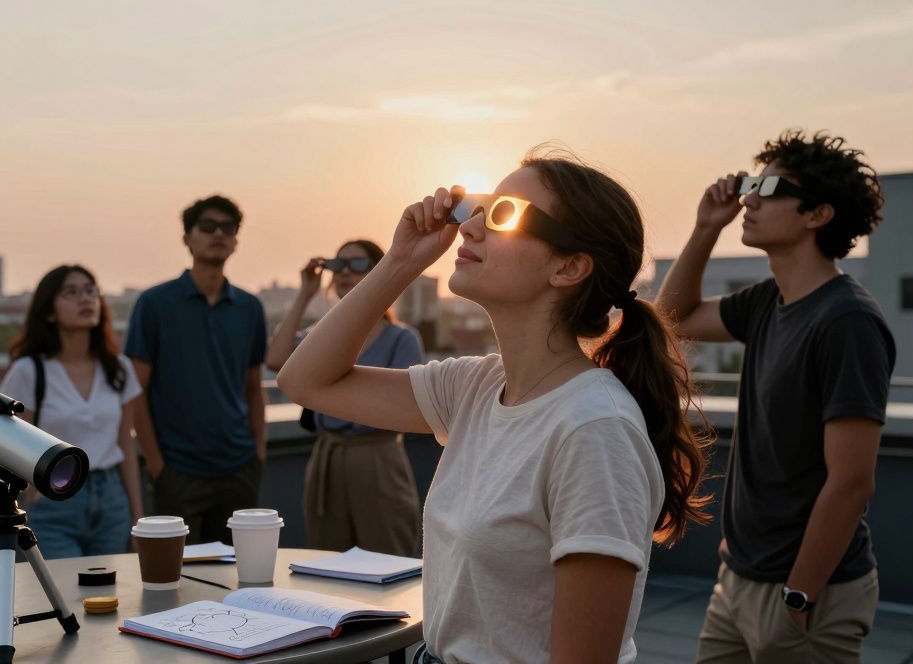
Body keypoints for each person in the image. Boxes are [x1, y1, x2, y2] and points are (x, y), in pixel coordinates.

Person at [277, 151, 712, 663]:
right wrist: (402, 261)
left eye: (504, 214)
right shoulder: (476, 385)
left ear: (569, 267)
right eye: (478, 208)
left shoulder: (595, 431)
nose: (470, 228)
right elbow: (305, 381)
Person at [656, 130, 892, 664]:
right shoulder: (769, 301)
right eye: (750, 182)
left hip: (807, 592)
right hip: (738, 579)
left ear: (818, 215)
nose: (750, 197)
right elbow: (673, 319)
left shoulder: (847, 321)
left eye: (770, 186)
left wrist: (799, 593)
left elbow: (852, 481)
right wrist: (704, 229)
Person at [265, 240, 423, 556]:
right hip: (328, 456)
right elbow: (277, 359)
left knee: (387, 558)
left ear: (380, 272)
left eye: (358, 265)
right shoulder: (319, 338)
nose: (345, 272)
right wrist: (305, 294)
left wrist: (329, 392)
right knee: (328, 562)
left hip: (377, 458)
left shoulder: (401, 338)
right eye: (337, 265)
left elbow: (404, 407)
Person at [125, 194, 268, 544]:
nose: (217, 233)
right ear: (187, 238)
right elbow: (135, 393)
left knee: (239, 581)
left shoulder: (249, 308)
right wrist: (157, 467)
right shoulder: (155, 304)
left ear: (236, 240)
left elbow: (253, 388)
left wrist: (258, 456)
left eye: (227, 227)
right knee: (178, 582)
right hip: (178, 471)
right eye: (207, 226)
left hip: (238, 469)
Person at [0, 265, 144, 558]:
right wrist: (31, 493)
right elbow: (10, 444)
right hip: (56, 500)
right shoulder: (29, 371)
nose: (85, 299)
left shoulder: (118, 368)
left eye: (91, 291)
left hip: (110, 498)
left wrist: (137, 518)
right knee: (63, 597)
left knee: (110, 596)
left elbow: (126, 443)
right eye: (71, 292)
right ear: (50, 311)